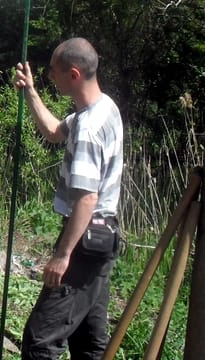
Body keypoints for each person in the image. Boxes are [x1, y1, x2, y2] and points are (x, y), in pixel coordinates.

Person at [14, 37, 123, 359]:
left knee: (40, 341)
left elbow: (86, 198)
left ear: (73, 74)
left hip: (85, 244)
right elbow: (52, 131)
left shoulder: (89, 127)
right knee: (89, 342)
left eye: (53, 71)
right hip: (103, 236)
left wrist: (63, 255)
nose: (50, 76)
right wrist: (30, 91)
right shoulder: (104, 108)